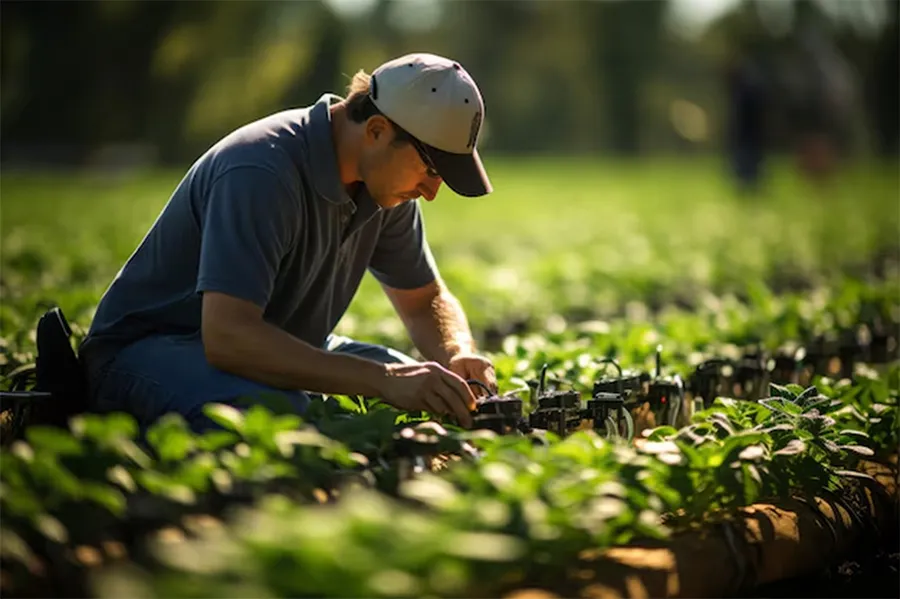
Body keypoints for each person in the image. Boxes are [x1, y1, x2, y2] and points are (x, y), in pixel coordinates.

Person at [78, 52, 497, 434]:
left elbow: (424, 300)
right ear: (376, 130)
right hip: (149, 353)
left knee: (433, 395)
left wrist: (456, 353)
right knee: (282, 414)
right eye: (429, 169)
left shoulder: (386, 187)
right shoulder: (260, 170)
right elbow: (228, 337)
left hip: (280, 350)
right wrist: (380, 382)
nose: (431, 192)